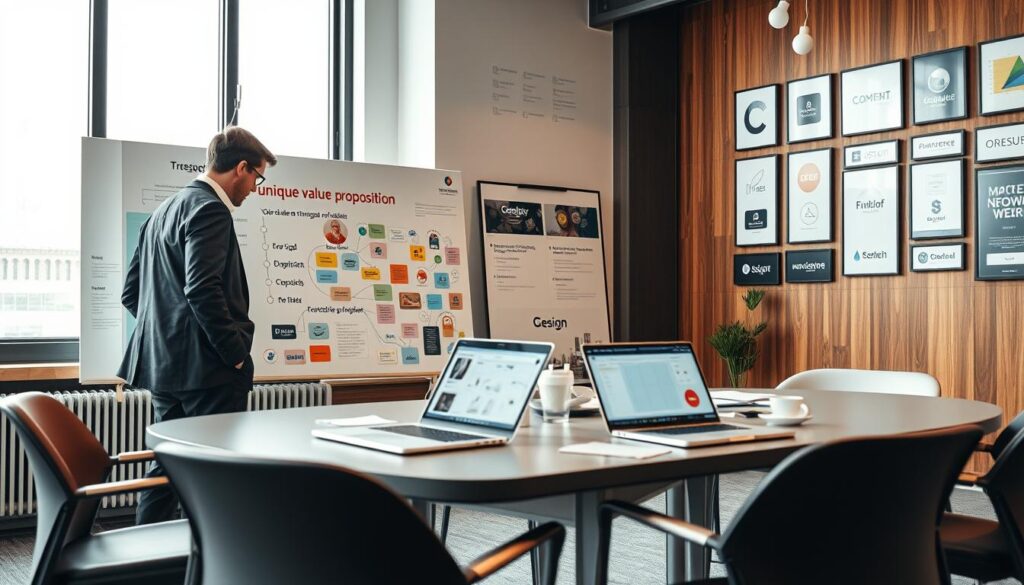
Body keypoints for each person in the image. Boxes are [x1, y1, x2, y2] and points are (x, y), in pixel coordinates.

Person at [117, 126, 276, 525]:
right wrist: (235, 355)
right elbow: (203, 289)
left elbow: (132, 293)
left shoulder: (161, 213)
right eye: (257, 177)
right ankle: (214, 554)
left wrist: (169, 336)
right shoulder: (210, 209)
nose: (254, 188)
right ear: (241, 168)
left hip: (165, 369)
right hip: (210, 371)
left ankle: (147, 551)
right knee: (215, 475)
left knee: (166, 467)